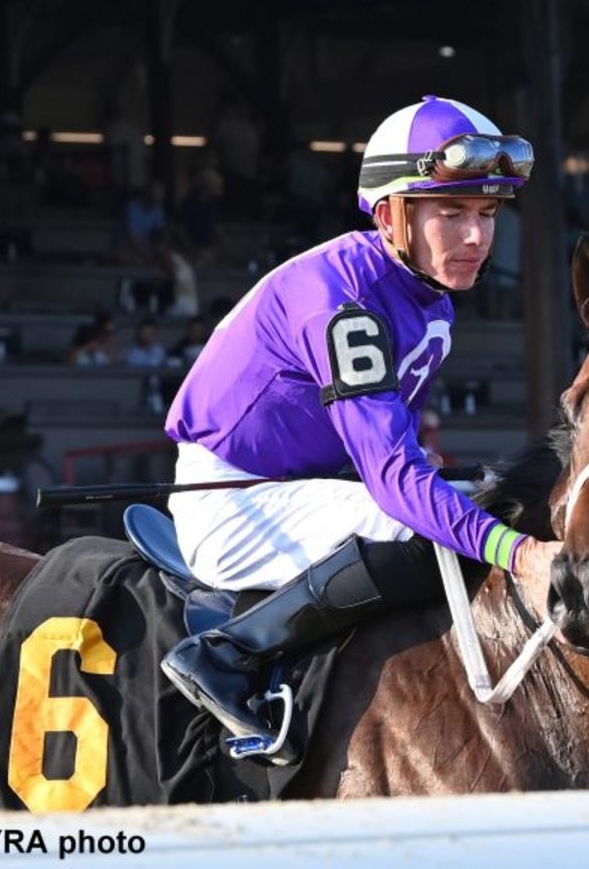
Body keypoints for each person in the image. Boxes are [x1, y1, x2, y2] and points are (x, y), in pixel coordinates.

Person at [158, 95, 548, 757]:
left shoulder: (430, 297)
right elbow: (394, 481)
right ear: (393, 213)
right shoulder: (345, 307)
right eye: (451, 214)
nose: (477, 237)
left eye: (486, 214)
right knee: (420, 525)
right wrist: (521, 553)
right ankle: (225, 657)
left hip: (309, 485)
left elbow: (394, 449)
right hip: (235, 504)